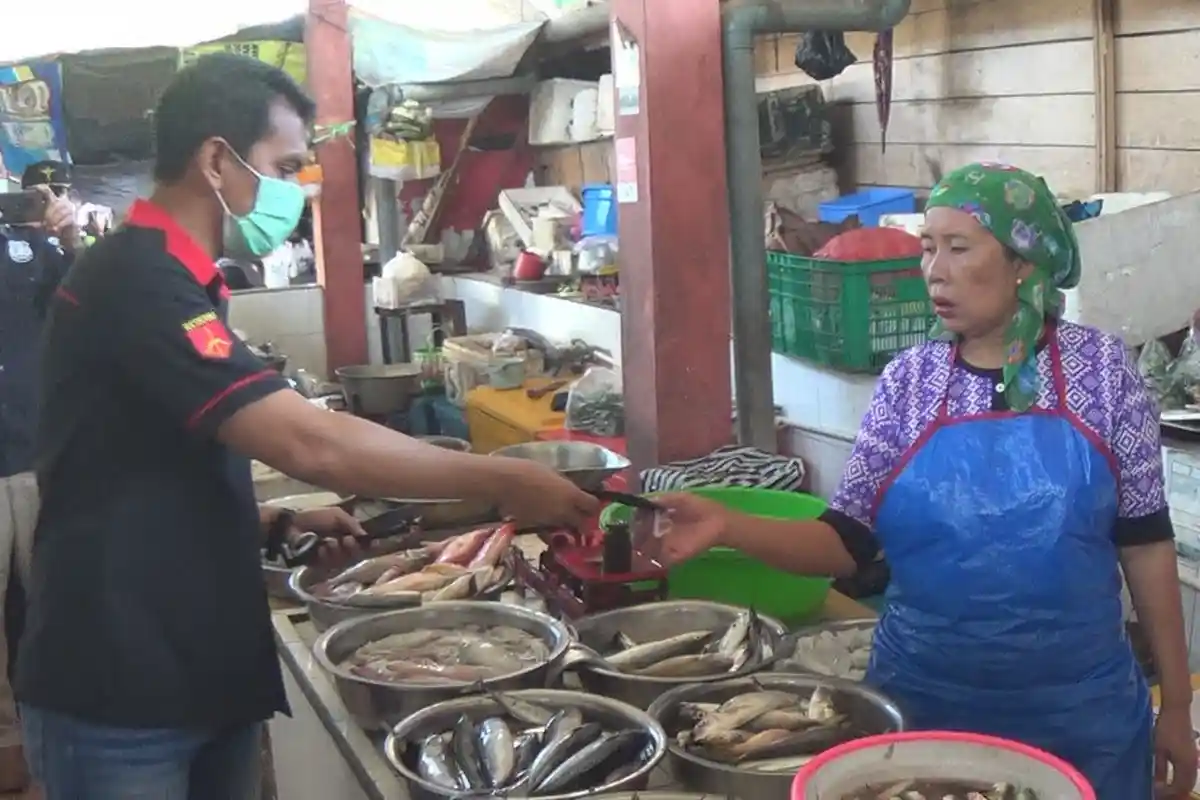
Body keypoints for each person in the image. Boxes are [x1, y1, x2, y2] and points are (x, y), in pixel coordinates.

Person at [15, 53, 600, 800]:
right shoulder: (136, 278)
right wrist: (506, 480)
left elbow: (132, 461)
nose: (295, 190)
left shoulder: (184, 275)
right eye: (285, 167)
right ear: (216, 160)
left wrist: (266, 522)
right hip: (122, 688)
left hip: (203, 665)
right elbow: (311, 444)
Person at [655, 163, 1198, 800]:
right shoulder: (909, 383)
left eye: (959, 247)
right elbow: (844, 543)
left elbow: (1146, 543)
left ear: (1023, 260)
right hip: (922, 711)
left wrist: (1179, 710)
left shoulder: (1102, 372)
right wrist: (727, 525)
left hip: (1080, 719)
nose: (934, 270)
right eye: (927, 247)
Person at [0, 160, 80, 794]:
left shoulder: (27, 247)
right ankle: (8, 748)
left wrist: (70, 240)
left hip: (32, 455)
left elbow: (80, 309)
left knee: (50, 603)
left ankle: (55, 734)